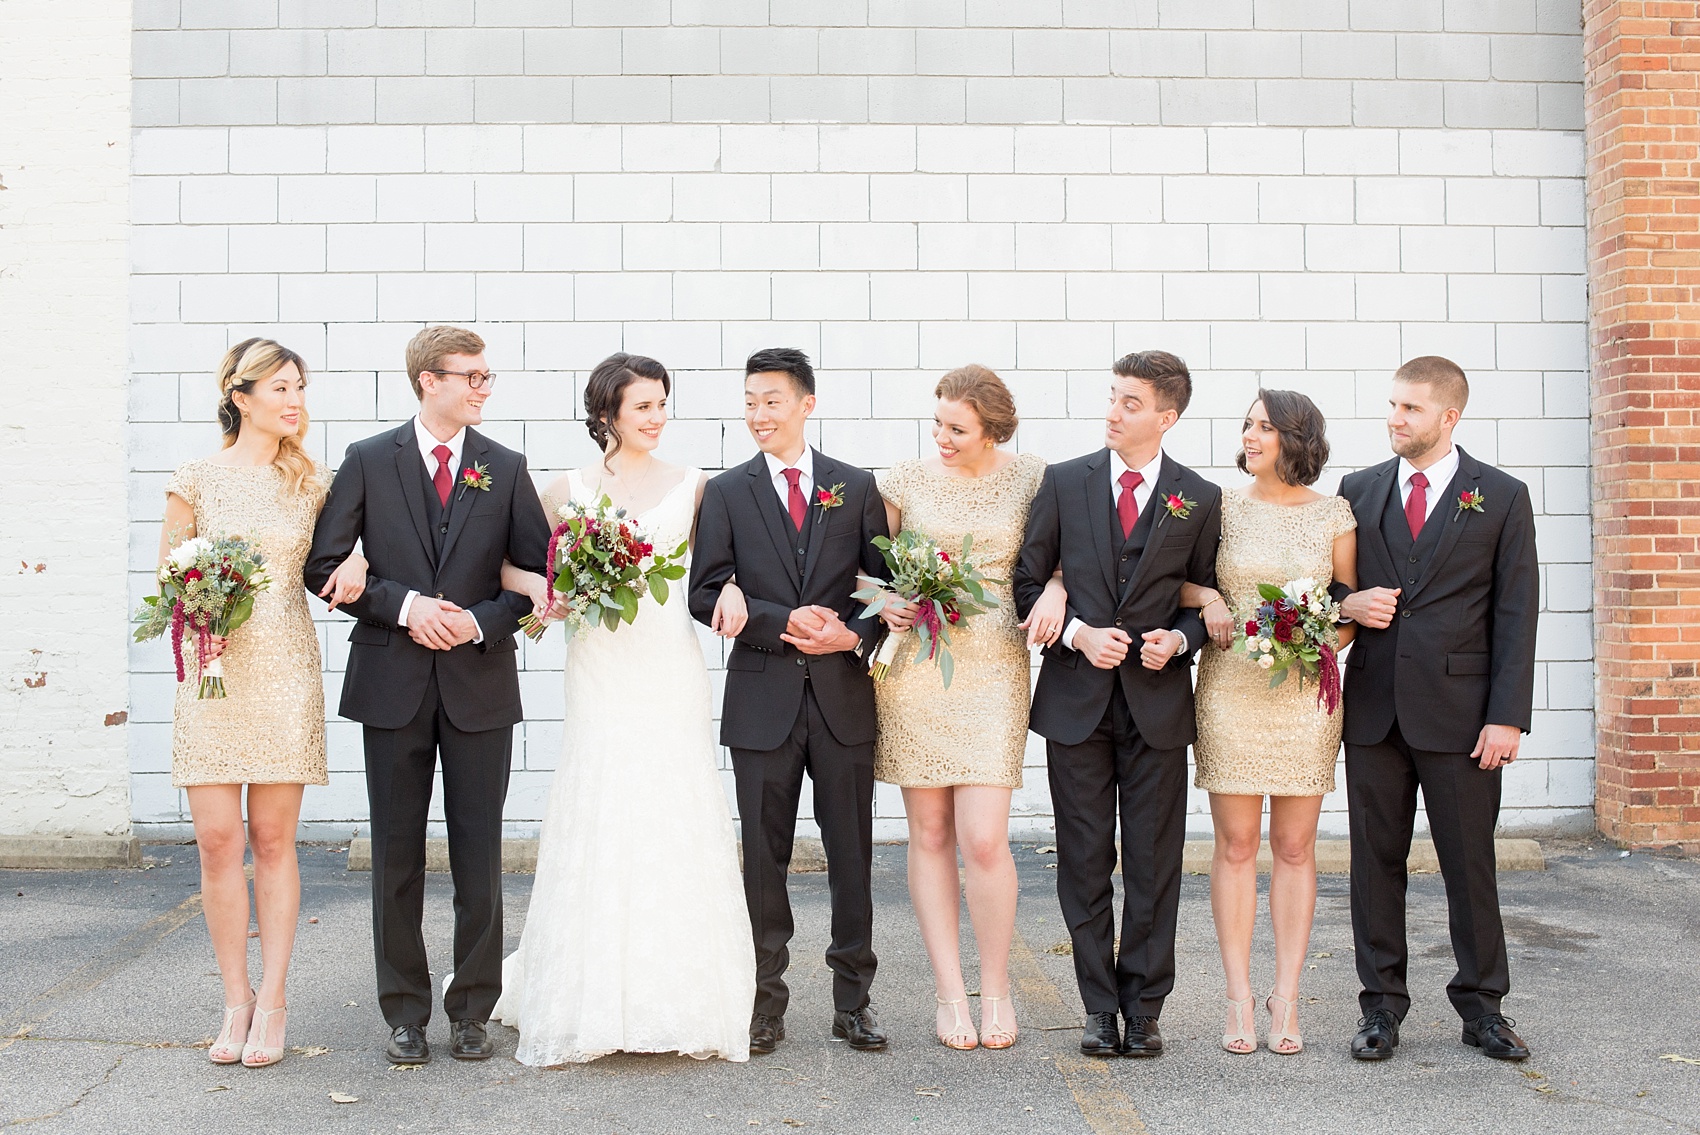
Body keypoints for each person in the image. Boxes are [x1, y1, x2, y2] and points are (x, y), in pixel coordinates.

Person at [489, 353, 757, 1064]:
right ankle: (591, 993)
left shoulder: (698, 487)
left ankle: (680, 994)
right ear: (607, 412)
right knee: (602, 803)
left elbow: (725, 566)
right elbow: (515, 564)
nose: (658, 417)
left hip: (668, 667)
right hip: (599, 668)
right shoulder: (562, 491)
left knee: (673, 809)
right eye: (644, 406)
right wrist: (552, 592)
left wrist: (730, 589)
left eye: (663, 404)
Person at [304, 326, 551, 1066]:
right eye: (469, 375)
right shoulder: (369, 460)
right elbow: (324, 565)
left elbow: (538, 575)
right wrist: (409, 607)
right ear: (426, 380)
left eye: (486, 375)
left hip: (479, 683)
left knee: (480, 854)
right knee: (397, 854)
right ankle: (404, 1012)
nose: (483, 387)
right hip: (392, 684)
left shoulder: (505, 468)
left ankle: (472, 1008)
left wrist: (476, 620)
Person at [159, 338, 365, 1068]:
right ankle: (235, 999)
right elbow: (168, 581)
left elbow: (345, 552)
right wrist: (200, 617)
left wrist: (360, 558)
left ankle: (275, 1001)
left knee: (274, 840)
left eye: (299, 387)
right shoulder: (195, 477)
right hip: (212, 676)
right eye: (279, 387)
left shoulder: (314, 481)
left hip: (283, 667)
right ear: (239, 396)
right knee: (219, 841)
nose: (294, 400)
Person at [1013, 350, 1221, 1059]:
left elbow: (1204, 595)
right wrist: (1073, 630)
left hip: (1157, 704)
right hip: (1077, 702)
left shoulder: (1199, 496)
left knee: (1155, 862)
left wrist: (1180, 638)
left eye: (1130, 403)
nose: (1113, 411)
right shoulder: (1064, 483)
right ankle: (1099, 1006)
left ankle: (1146, 1005)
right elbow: (1024, 581)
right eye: (1112, 397)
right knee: (1083, 857)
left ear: (1166, 416)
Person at [1333, 356, 1539, 1063]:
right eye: (1392, 405)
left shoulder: (1503, 496)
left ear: (1449, 417)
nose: (1395, 418)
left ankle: (1483, 1007)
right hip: (1374, 711)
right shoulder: (1356, 490)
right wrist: (1346, 603)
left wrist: (1507, 715)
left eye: (1411, 409)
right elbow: (1326, 590)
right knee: (1373, 865)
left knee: (1468, 864)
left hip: (1463, 715)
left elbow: (1517, 612)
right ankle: (1381, 1007)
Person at [688, 348, 892, 1056]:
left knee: (852, 852)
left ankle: (853, 1000)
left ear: (806, 403)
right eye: (749, 401)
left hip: (842, 699)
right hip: (763, 698)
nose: (758, 415)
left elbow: (886, 591)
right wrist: (778, 619)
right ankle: (763, 1000)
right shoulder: (726, 492)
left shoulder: (855, 486)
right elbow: (704, 590)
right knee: (763, 857)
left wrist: (849, 634)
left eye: (771, 401)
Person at [868, 365, 1066, 1051]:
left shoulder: (1035, 479)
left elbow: (1068, 555)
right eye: (938, 424)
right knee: (928, 833)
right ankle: (950, 992)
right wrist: (882, 601)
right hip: (919, 671)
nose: (942, 437)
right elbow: (862, 569)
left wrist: (1058, 591)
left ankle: (999, 987)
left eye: (958, 428)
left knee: (983, 838)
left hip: (994, 671)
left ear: (993, 430)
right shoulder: (902, 482)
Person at [1181, 390, 1358, 1056]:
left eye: (1263, 426)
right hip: (1230, 686)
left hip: (1304, 695)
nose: (1250, 434)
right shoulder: (1219, 508)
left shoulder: (1335, 515)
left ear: (1295, 436)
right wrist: (1209, 599)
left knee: (1293, 847)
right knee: (1233, 846)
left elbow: (1347, 611)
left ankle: (1285, 996)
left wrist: (1311, 639)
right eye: (1246, 424)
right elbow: (1181, 581)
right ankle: (1236, 997)